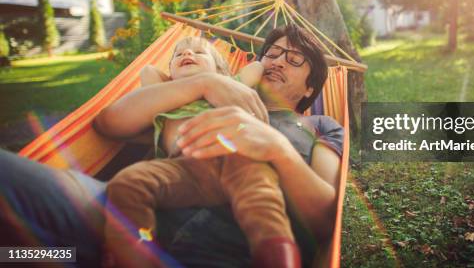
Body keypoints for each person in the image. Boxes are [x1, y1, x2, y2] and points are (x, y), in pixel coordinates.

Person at [0, 24, 344, 267]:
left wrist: (278, 150)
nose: (278, 61)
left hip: (225, 253)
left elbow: (327, 216)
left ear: (311, 89)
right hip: (111, 229)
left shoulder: (319, 127)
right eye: (273, 53)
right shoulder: (199, 95)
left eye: (295, 59)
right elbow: (109, 122)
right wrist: (204, 84)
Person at [103, 36, 299, 268]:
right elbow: (148, 71)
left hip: (236, 156)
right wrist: (185, 80)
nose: (188, 55)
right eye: (179, 54)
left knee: (262, 202)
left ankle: (278, 257)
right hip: (184, 168)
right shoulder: (164, 98)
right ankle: (135, 256)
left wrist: (221, 79)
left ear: (221, 72)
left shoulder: (232, 86)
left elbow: (256, 67)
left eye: (199, 53)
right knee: (127, 184)